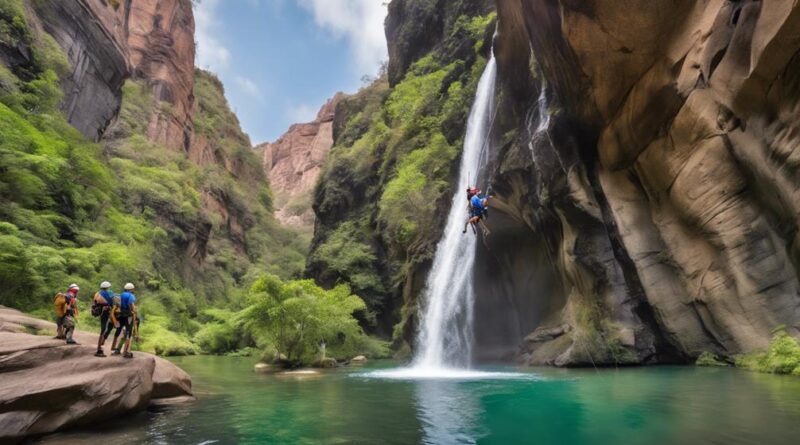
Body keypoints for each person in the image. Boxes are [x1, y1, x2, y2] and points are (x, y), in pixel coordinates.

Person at [111, 283, 137, 358]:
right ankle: (126, 352)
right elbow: (131, 305)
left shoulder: (121, 294)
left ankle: (115, 349)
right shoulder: (130, 295)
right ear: (131, 289)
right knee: (128, 333)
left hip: (120, 315)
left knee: (120, 331)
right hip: (128, 316)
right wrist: (134, 311)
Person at [92, 281, 117, 357]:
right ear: (107, 287)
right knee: (103, 330)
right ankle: (99, 349)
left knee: (105, 328)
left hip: (100, 312)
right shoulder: (107, 293)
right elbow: (113, 301)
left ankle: (100, 346)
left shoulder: (97, 293)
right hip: (105, 313)